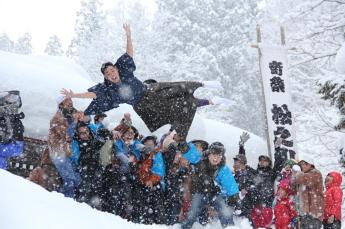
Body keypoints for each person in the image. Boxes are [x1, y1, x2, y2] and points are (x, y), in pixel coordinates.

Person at [61, 23, 231, 143]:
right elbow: (93, 94)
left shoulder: (125, 69)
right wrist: (74, 95)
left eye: (112, 70)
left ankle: (203, 83)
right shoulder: (108, 90)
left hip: (151, 90)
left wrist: (128, 35)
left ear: (116, 69)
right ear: (105, 77)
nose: (111, 74)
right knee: (181, 106)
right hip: (144, 106)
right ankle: (211, 101)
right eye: (107, 73)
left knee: (177, 88)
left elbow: (129, 52)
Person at [182, 142, 239, 229]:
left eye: (219, 156)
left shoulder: (223, 169)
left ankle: (229, 226)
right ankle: (186, 227)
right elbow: (192, 154)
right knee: (193, 212)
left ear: (222, 157)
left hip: (215, 194)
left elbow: (229, 183)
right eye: (214, 155)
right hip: (200, 192)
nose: (216, 158)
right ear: (209, 155)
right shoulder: (200, 161)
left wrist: (234, 196)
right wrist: (186, 149)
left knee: (224, 210)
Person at [47, 96, 80, 198]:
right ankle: (64, 200)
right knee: (70, 179)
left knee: (76, 179)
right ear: (61, 104)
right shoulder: (57, 118)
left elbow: (86, 119)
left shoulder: (69, 116)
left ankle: (66, 198)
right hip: (58, 153)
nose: (71, 104)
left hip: (67, 152)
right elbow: (65, 135)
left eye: (71, 102)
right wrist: (74, 122)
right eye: (68, 102)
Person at [291, 156, 323, 229]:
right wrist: (294, 176)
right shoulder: (301, 175)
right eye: (300, 165)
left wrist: (297, 173)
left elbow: (305, 179)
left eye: (302, 164)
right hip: (304, 212)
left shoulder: (315, 173)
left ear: (309, 164)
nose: (301, 166)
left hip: (314, 212)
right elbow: (293, 187)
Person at [0, 90, 25, 169]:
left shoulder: (15, 123)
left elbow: (18, 149)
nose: (12, 104)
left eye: (15, 100)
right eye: (9, 100)